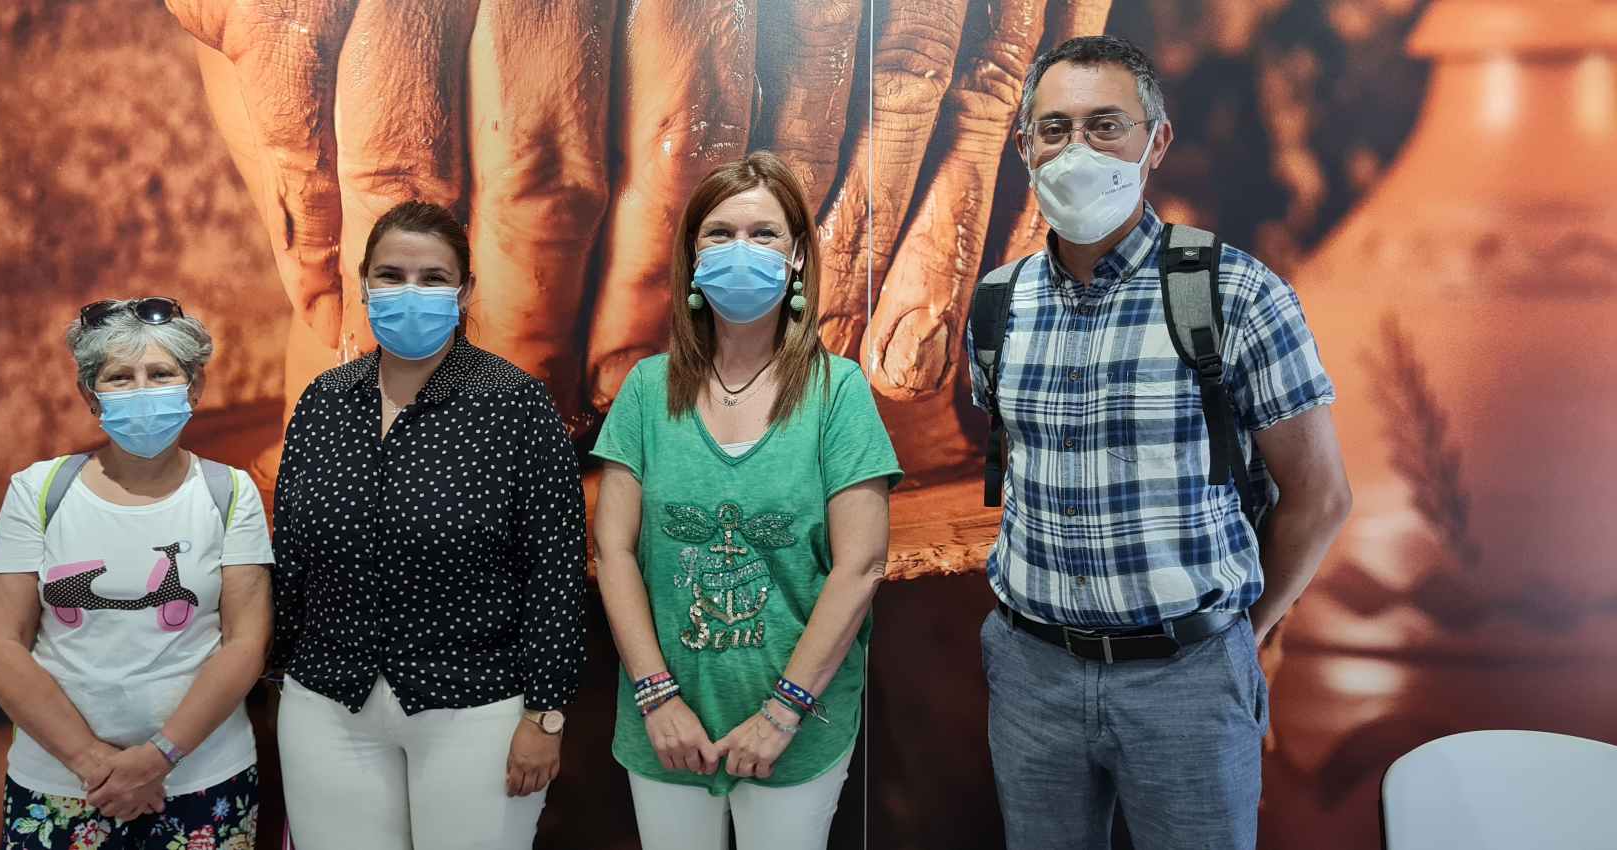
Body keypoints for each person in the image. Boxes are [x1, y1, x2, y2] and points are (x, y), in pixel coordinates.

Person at [966, 35, 1354, 850]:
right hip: (1031, 672)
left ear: (1155, 140)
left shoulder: (1233, 290)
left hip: (1187, 675)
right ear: (1024, 146)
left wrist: (1242, 637)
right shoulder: (997, 304)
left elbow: (1319, 496)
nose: (1076, 151)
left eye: (1105, 125)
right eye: (1053, 128)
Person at [591, 151, 901, 850]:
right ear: (690, 258)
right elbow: (612, 551)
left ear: (796, 256)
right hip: (666, 725)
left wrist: (782, 713)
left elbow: (861, 567)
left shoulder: (838, 392)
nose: (741, 250)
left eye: (763, 234)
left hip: (797, 726)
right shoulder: (645, 391)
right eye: (718, 232)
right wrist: (655, 698)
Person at [268, 200, 587, 850]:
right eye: (390, 275)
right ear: (362, 283)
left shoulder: (514, 405)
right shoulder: (326, 401)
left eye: (432, 278)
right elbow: (290, 555)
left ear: (465, 289)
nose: (408, 293)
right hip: (328, 704)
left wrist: (545, 717)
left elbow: (556, 573)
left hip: (476, 708)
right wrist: (278, 674)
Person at [0, 297, 274, 850]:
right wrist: (95, 764)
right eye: (120, 377)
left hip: (203, 781)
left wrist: (157, 758)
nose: (142, 389)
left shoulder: (231, 493)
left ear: (195, 387)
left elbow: (245, 643)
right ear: (91, 395)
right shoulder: (38, 491)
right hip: (61, 787)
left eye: (161, 373)